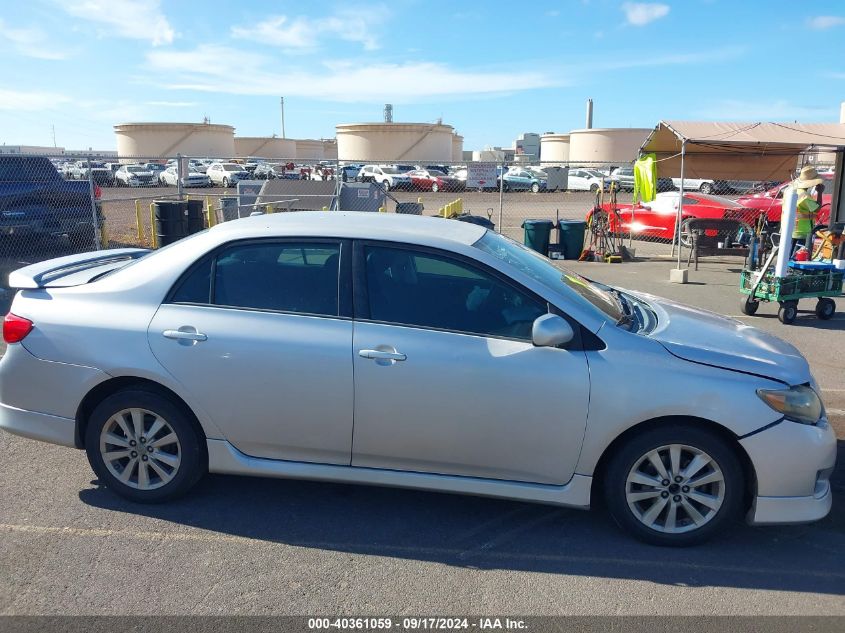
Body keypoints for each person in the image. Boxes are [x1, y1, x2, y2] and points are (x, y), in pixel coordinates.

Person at [789, 165, 825, 252]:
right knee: (797, 257)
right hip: (801, 232)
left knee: (788, 255)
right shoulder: (804, 195)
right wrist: (820, 193)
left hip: (790, 229)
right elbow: (817, 208)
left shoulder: (793, 191)